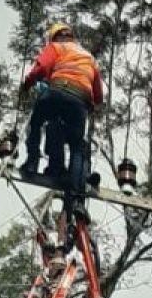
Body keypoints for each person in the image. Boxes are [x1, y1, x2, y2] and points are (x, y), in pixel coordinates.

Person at [19, 22, 104, 218]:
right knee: (77, 147)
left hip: (57, 92)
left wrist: (27, 84)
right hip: (80, 101)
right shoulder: (89, 57)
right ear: (71, 36)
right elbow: (98, 96)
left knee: (37, 122)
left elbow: (42, 67)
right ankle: (75, 195)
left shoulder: (56, 47)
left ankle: (32, 162)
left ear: (54, 37)